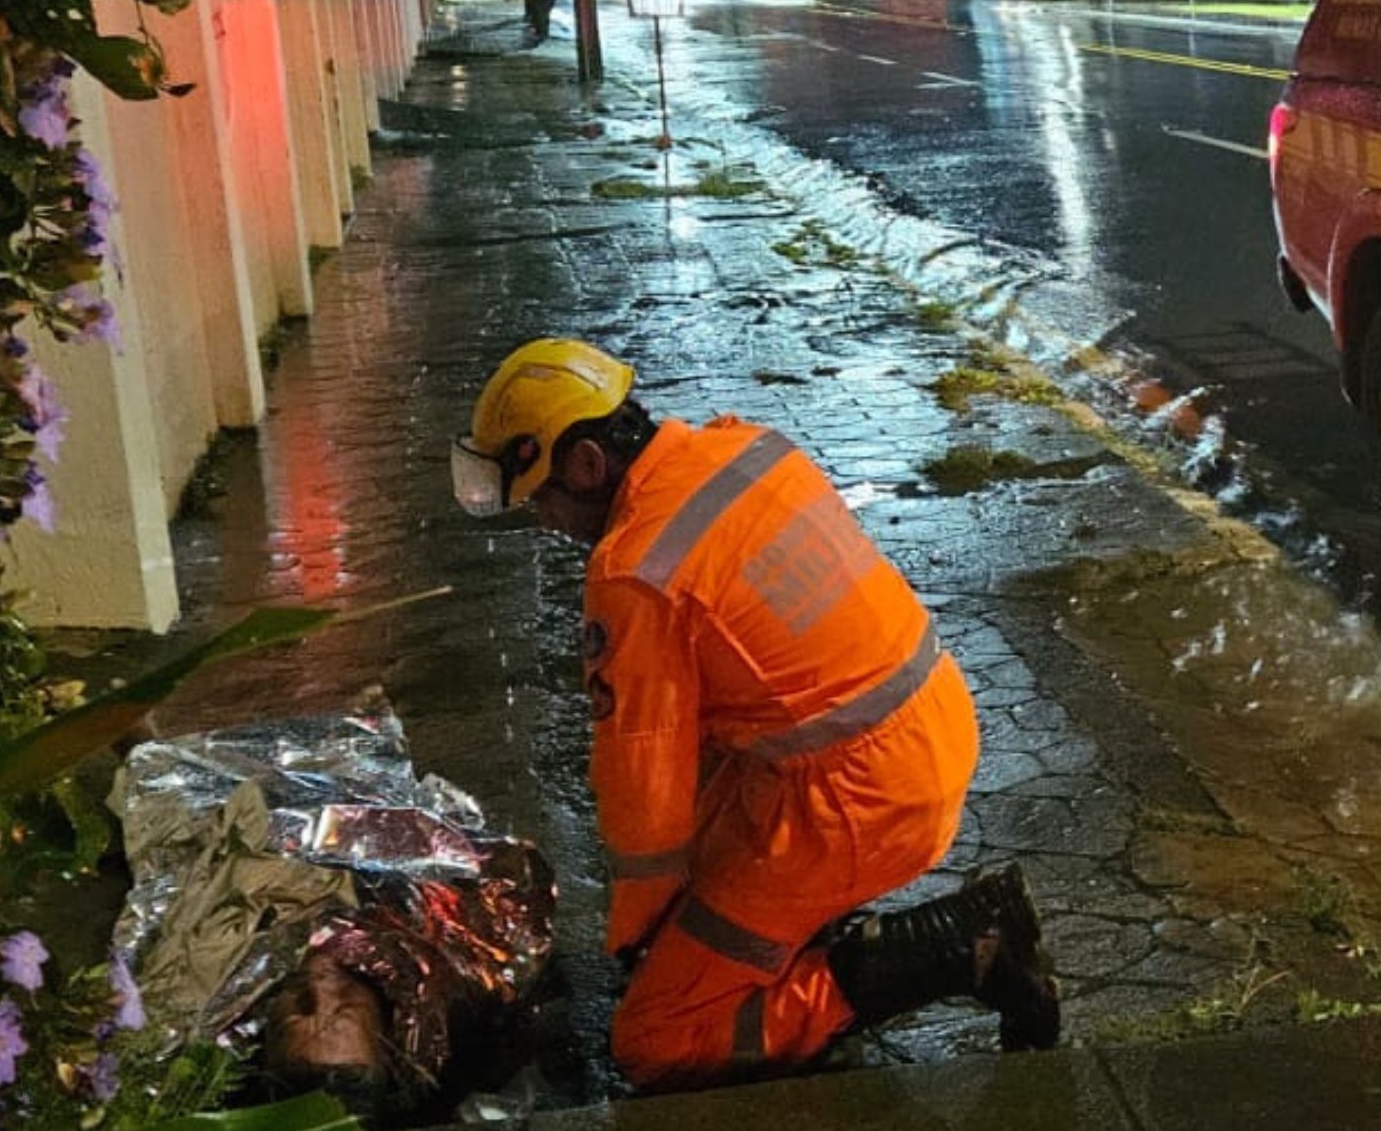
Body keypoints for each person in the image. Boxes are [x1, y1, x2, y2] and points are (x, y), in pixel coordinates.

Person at [453, 339, 1059, 1087]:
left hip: (854, 800)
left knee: (656, 1034)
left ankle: (965, 942)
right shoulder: (745, 447)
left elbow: (644, 802)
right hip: (931, 725)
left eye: (541, 496)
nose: (545, 521)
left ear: (585, 464)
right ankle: (800, 932)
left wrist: (638, 942)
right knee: (708, 838)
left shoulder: (634, 570)